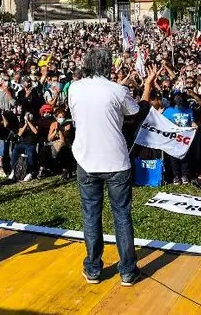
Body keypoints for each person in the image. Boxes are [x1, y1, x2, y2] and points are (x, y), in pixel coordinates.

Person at [67, 48, 141, 287]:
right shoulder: (117, 90)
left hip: (86, 160)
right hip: (116, 162)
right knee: (121, 216)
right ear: (109, 65)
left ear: (87, 63)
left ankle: (93, 268)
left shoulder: (75, 88)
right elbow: (135, 110)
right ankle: (127, 271)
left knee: (91, 216)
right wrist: (124, 87)